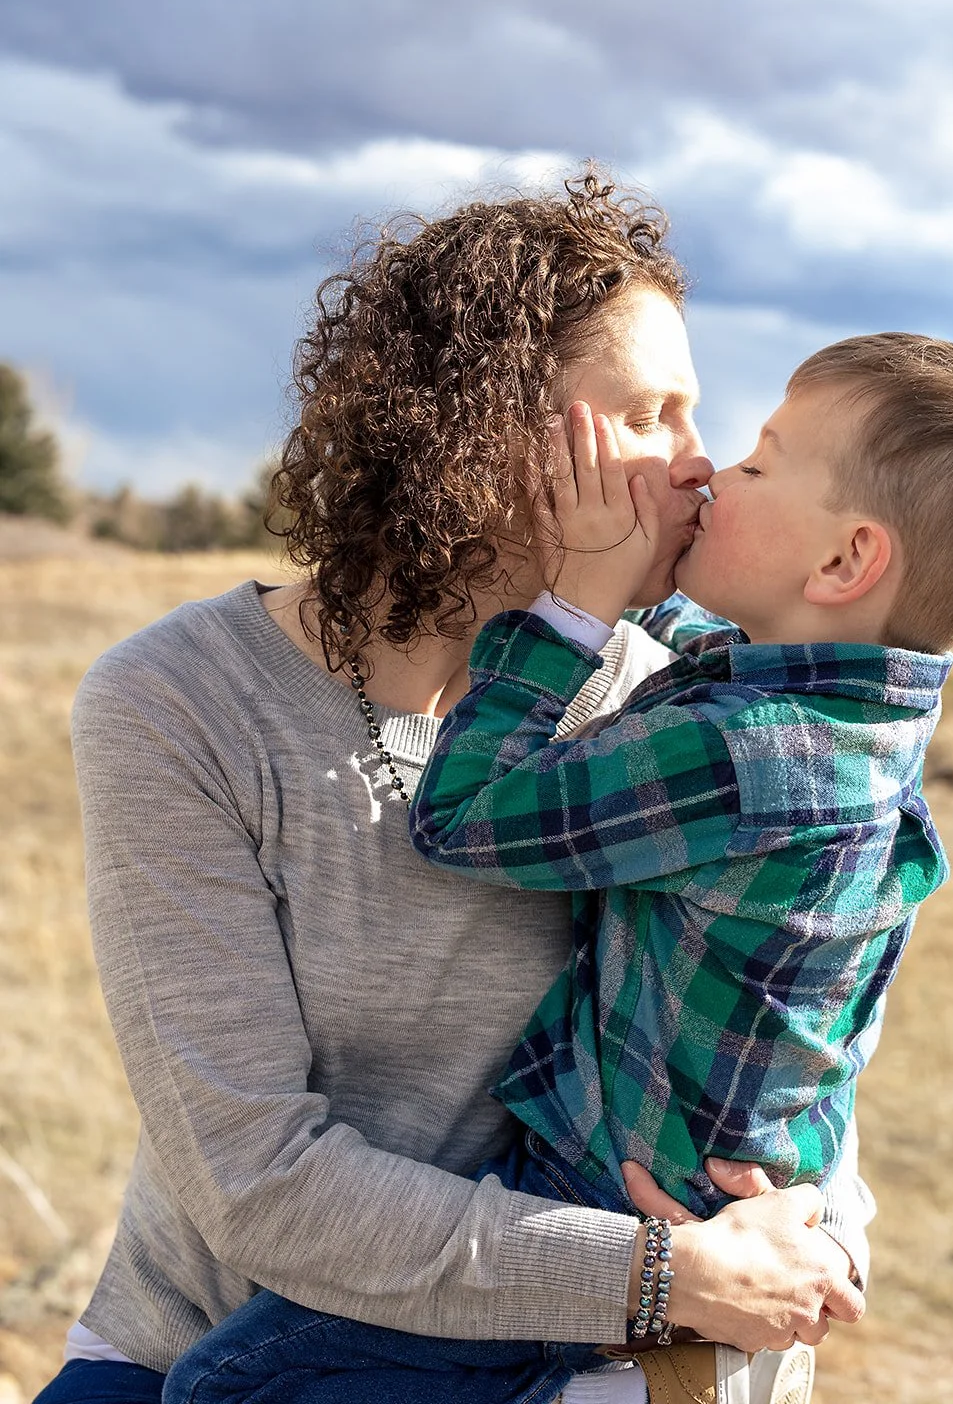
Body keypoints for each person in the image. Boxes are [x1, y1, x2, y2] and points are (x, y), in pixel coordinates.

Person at [35, 175, 870, 1404]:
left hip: (563, 1362)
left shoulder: (673, 705)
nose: (699, 463)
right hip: (217, 1351)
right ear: (483, 437)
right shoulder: (180, 700)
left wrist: (818, 1239)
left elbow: (786, 1029)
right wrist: (656, 1275)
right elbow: (256, 1178)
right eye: (649, 415)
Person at [160, 333, 953, 1404]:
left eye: (758, 464)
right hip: (726, 1180)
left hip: (617, 1197)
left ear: (840, 564)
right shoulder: (846, 716)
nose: (710, 470)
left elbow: (464, 813)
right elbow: (697, 652)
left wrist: (575, 606)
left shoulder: (747, 756)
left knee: (223, 1385)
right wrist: (628, 564)